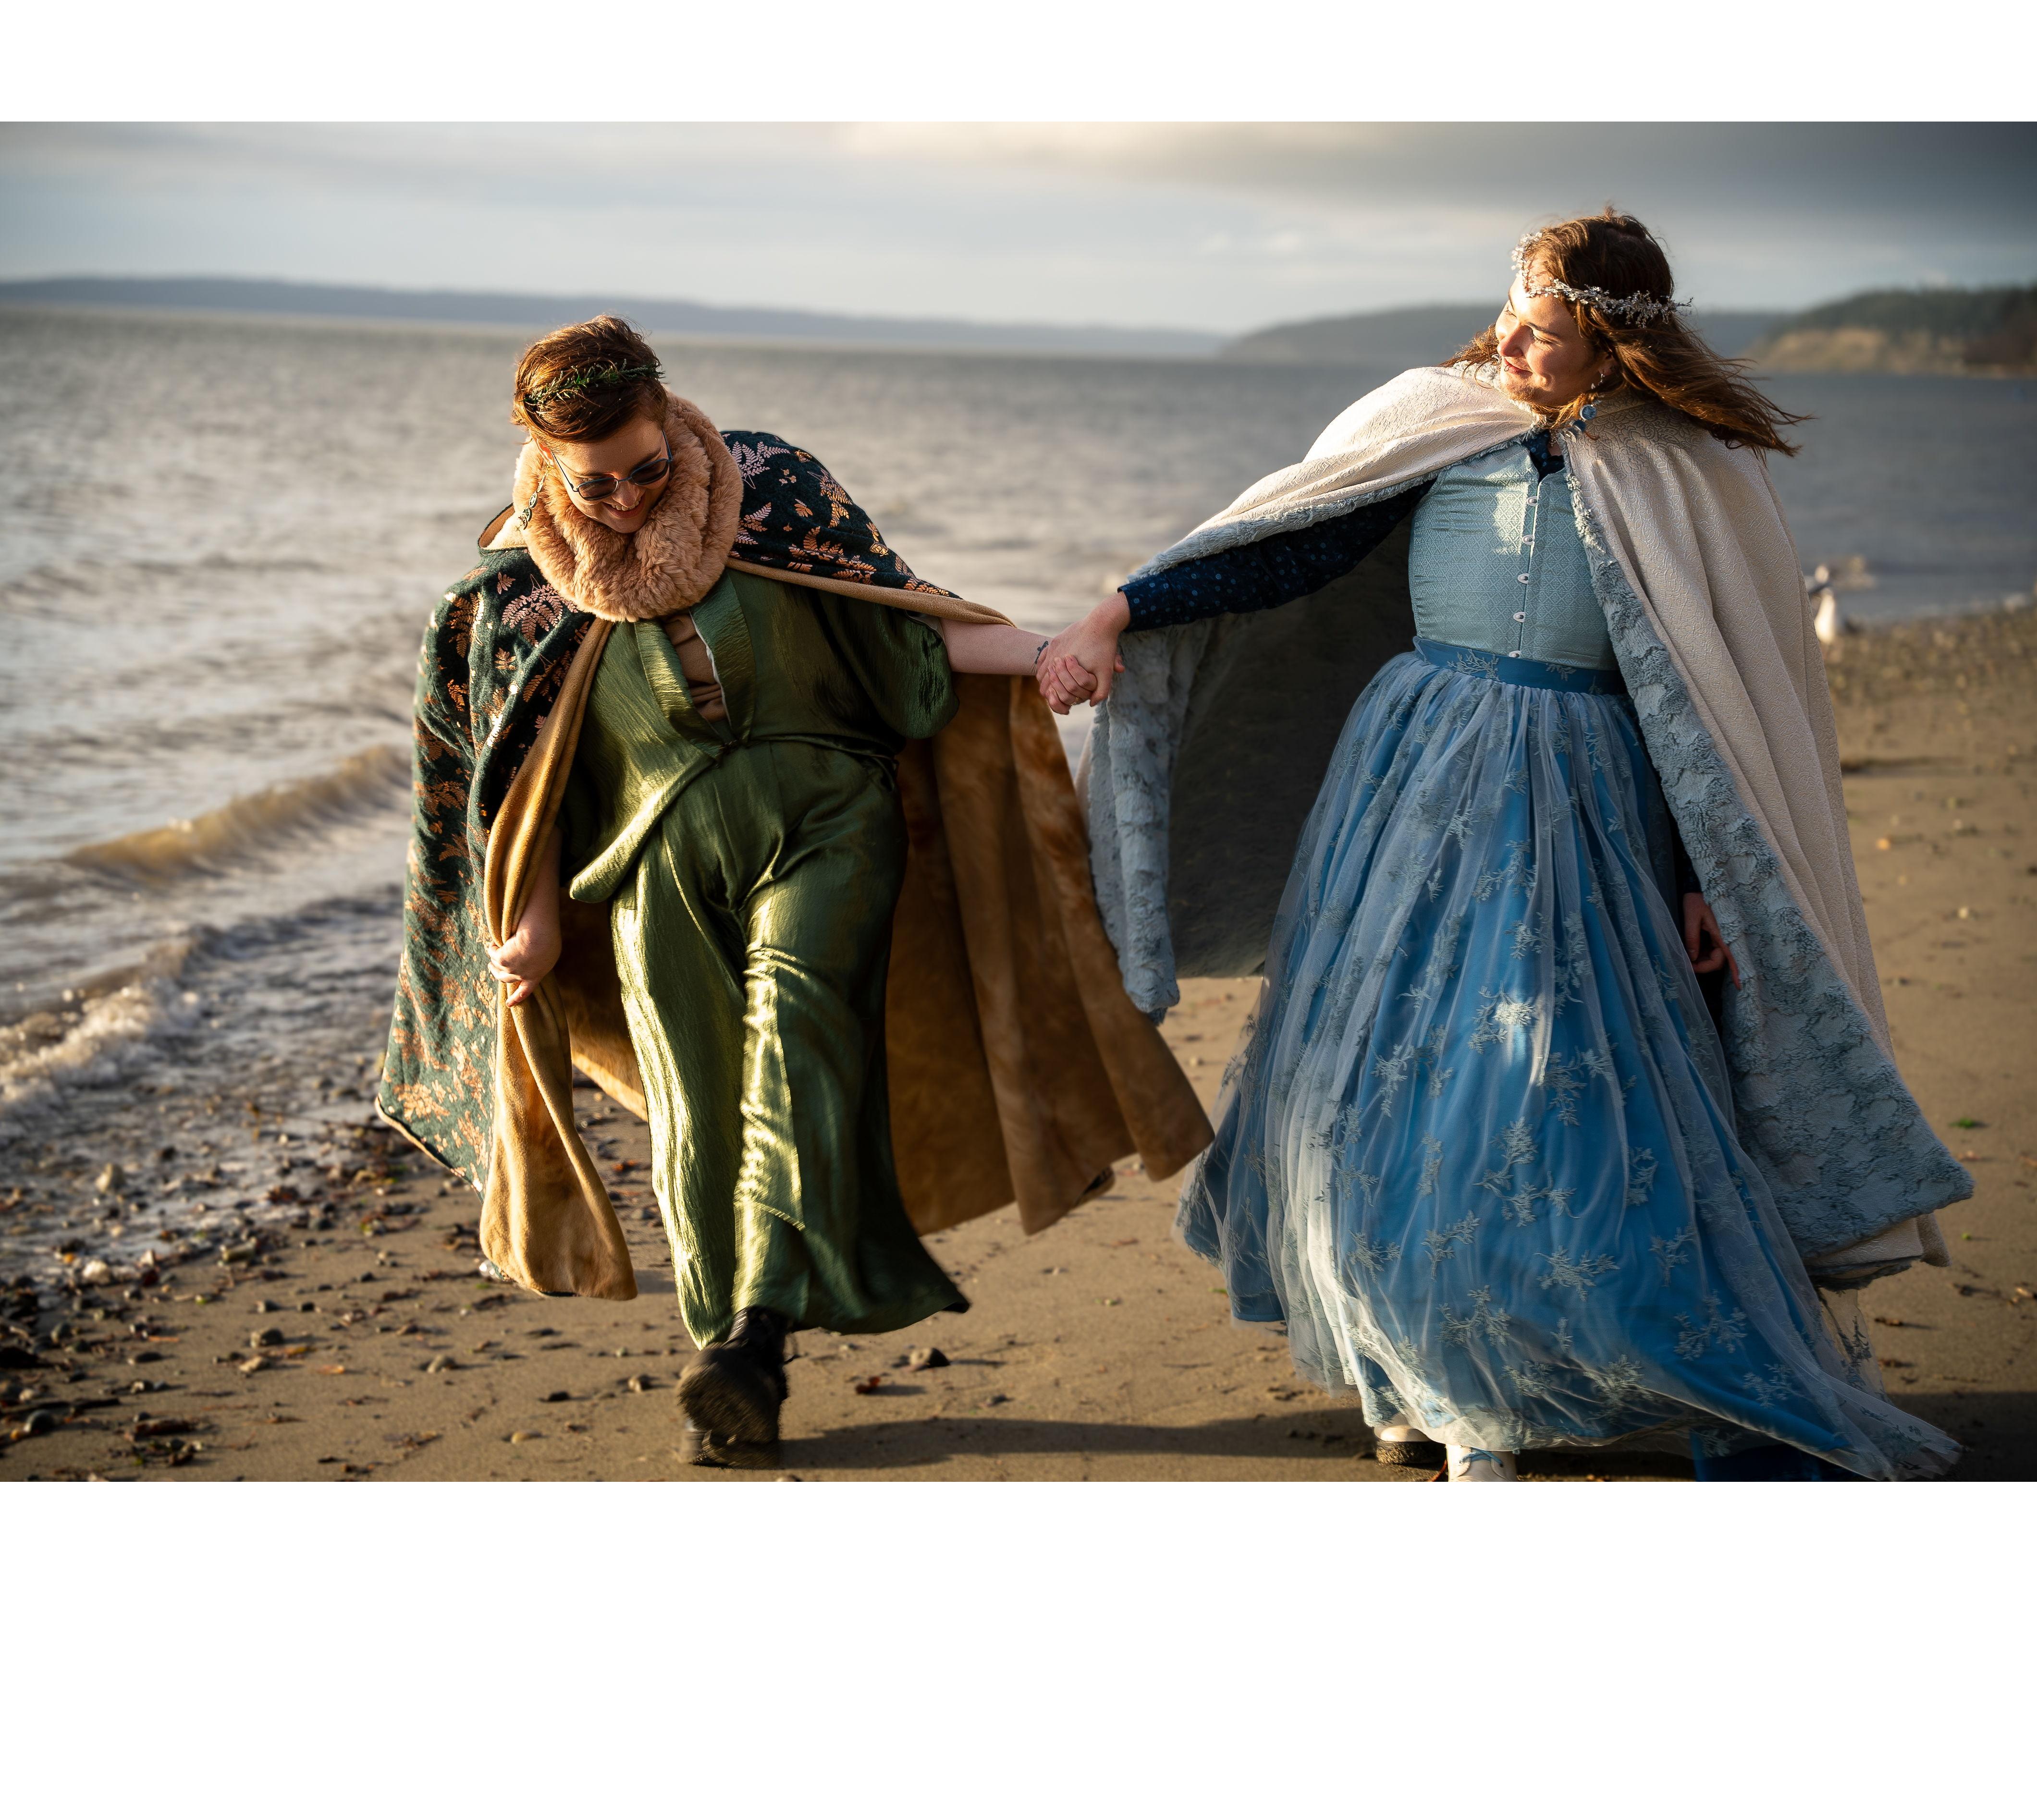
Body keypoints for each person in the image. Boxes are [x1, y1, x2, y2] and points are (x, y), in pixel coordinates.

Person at [1038, 211, 1972, 1481]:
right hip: (1411, 779)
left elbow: (1707, 701)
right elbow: (1281, 547)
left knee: (1546, 1072)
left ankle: (1524, 1366)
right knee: (1385, 1072)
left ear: (1616, 347)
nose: (1514, 349)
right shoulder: (1438, 422)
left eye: (1547, 335)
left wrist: (1708, 878)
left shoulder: (1682, 471)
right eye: (1516, 320)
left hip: (1584, 798)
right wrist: (1117, 611)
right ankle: (1415, 1374)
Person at [379, 318, 1207, 1468]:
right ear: (544, 462)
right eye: (594, 483)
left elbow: (901, 625)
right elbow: (525, 773)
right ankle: (724, 1333)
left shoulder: (767, 489)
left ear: (669, 418)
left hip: (828, 828)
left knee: (797, 1046)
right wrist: (529, 919)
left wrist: (1046, 653)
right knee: (692, 1104)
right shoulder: (518, 585)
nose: (625, 499)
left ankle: (755, 1339)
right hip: (651, 869)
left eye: (645, 468)